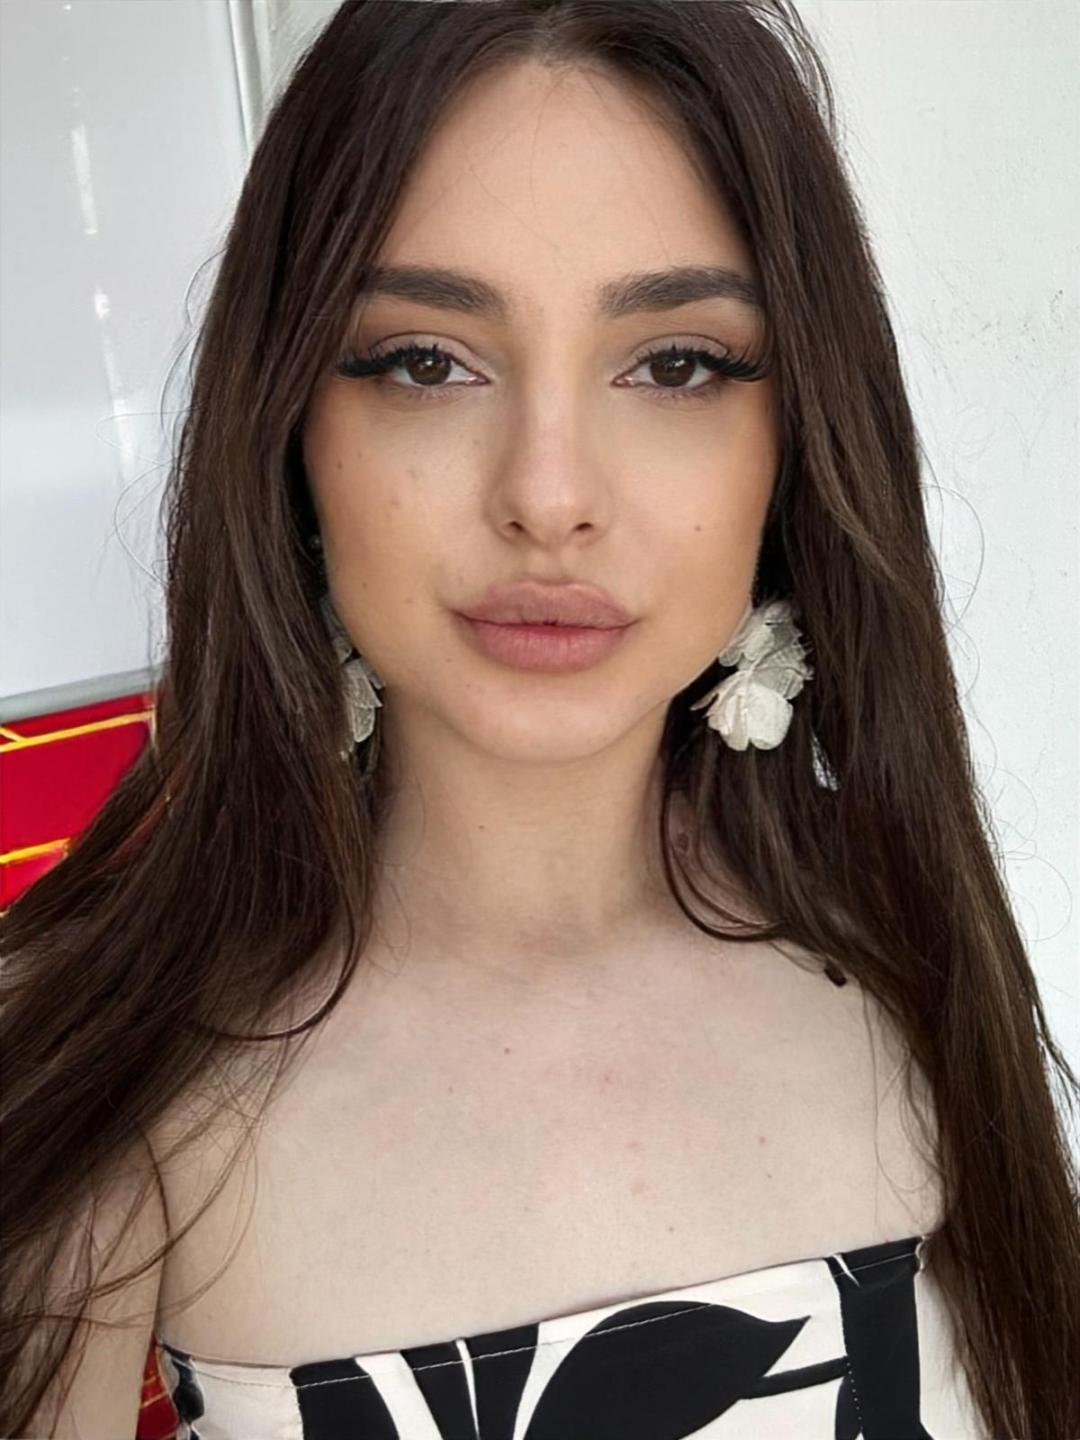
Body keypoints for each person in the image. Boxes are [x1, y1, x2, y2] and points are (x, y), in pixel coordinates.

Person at [2, 3, 1077, 1438]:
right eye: (425, 360)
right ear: (291, 425)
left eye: (676, 364)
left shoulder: (902, 935)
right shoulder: (102, 1053)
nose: (550, 493)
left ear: (796, 435)